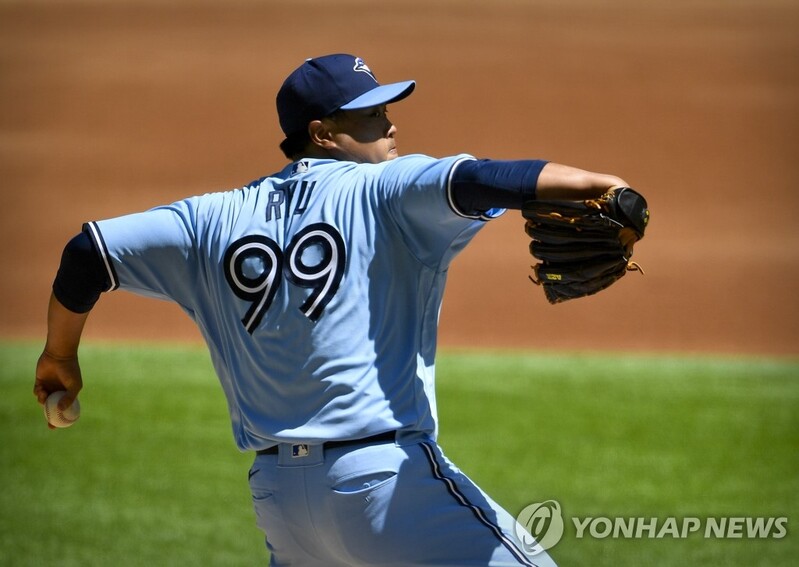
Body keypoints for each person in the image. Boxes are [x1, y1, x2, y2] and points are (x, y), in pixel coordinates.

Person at [35, 53, 632, 566]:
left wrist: (59, 355)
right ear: (323, 132)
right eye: (371, 114)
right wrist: (598, 186)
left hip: (281, 504)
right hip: (384, 486)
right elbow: (480, 179)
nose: (390, 124)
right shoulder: (385, 187)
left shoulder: (206, 220)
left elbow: (87, 253)